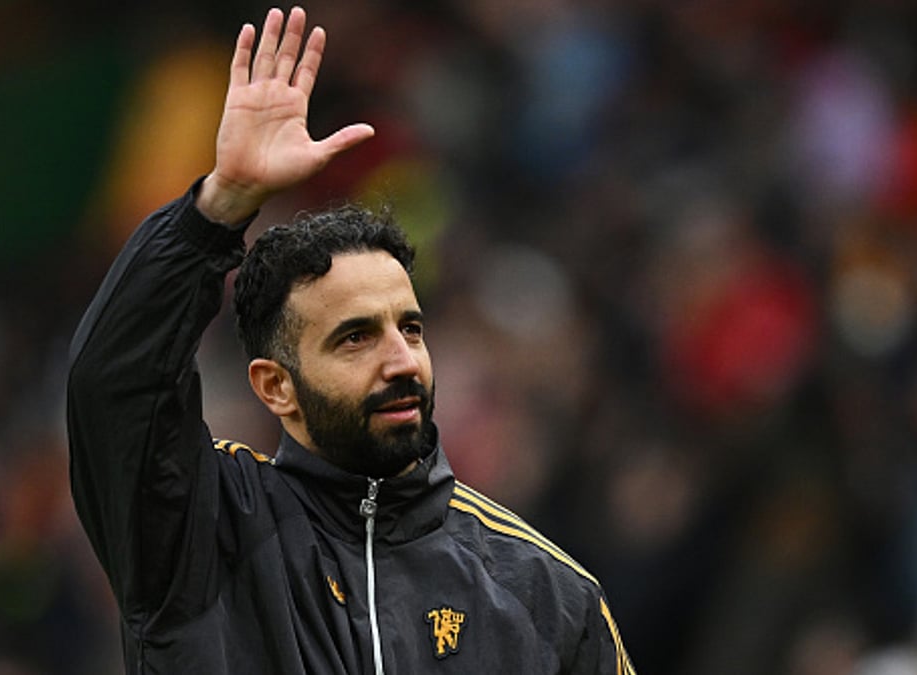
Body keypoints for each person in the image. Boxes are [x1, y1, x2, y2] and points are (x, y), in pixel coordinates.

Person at [67, 6, 636, 674]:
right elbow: (114, 387)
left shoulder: (549, 595)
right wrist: (218, 209)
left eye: (411, 328)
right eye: (355, 338)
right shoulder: (199, 531)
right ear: (275, 386)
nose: (401, 360)